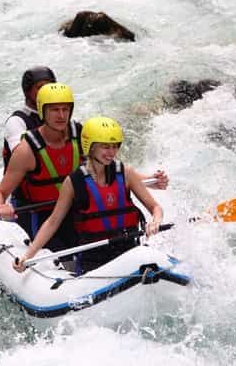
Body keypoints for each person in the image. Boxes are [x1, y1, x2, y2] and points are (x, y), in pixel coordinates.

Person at [14, 116, 164, 274]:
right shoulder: (73, 182)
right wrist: (28, 256)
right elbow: (53, 222)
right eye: (105, 147)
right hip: (93, 260)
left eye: (115, 146)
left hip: (128, 250)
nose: (111, 152)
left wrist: (155, 221)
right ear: (90, 147)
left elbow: (155, 207)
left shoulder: (127, 174)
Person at [0, 82, 83, 251]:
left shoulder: (81, 136)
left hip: (77, 213)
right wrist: (0, 207)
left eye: (65, 109)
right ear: (42, 112)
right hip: (41, 218)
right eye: (55, 110)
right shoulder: (26, 151)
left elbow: (110, 166)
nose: (61, 115)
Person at [2, 66, 57, 169]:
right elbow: (22, 158)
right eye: (40, 87)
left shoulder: (60, 116)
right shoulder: (16, 122)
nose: (46, 92)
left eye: (50, 87)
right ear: (27, 92)